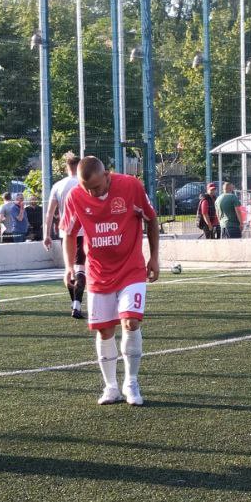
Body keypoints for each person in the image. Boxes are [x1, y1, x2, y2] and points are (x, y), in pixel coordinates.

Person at [61, 156, 159, 407]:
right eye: (87, 188)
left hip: (131, 269)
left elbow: (151, 220)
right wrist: (69, 266)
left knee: (131, 322)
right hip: (98, 272)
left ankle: (131, 382)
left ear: (107, 175)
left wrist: (154, 258)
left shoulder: (130, 186)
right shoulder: (75, 196)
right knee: (104, 330)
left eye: (96, 187)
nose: (92, 193)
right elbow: (69, 234)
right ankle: (111, 387)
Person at [44, 151, 85, 319]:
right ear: (80, 166)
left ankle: (74, 303)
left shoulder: (58, 186)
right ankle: (77, 305)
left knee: (70, 269)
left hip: (65, 233)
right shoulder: (84, 183)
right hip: (84, 231)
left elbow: (49, 213)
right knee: (81, 268)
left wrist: (46, 235)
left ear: (67, 168)